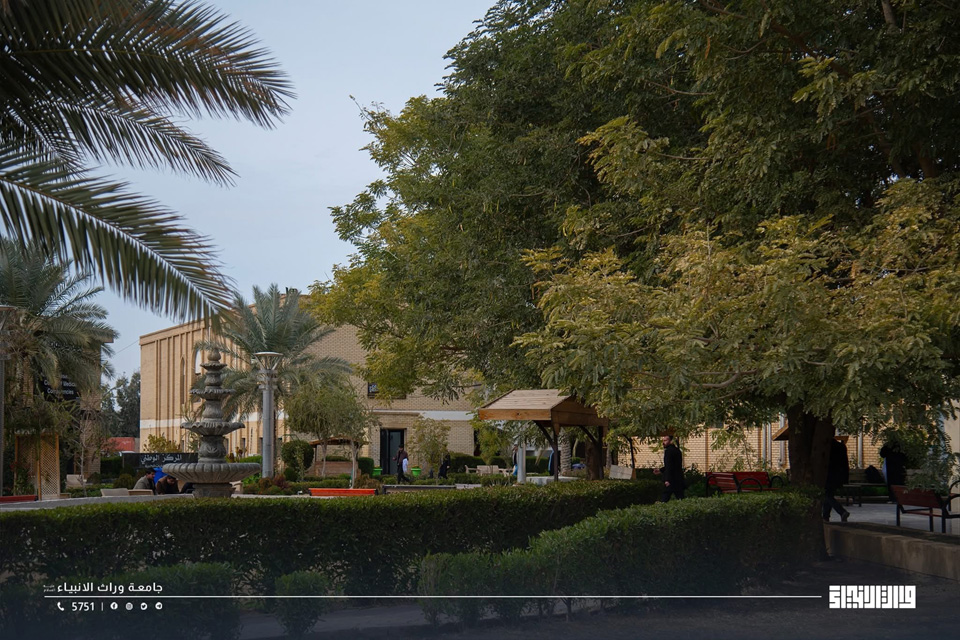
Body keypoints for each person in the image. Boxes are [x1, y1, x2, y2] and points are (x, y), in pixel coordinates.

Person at [823, 437, 851, 522]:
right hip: (839, 476)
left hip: (829, 475)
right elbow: (845, 463)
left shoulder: (826, 447)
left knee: (826, 495)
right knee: (829, 495)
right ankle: (825, 516)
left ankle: (841, 511)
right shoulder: (841, 447)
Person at [653, 434, 685, 502]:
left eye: (665, 440)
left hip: (672, 479)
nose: (663, 442)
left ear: (671, 441)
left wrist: (667, 479)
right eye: (663, 440)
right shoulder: (677, 450)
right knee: (680, 497)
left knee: (665, 496)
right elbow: (672, 465)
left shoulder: (668, 451)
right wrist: (660, 470)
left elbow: (669, 466)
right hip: (678, 478)